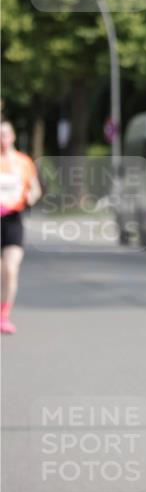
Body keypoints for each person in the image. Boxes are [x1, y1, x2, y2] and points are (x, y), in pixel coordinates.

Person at [1, 120, 42, 334]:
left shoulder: (23, 162)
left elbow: (35, 190)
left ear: (13, 136)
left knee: (10, 268)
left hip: (13, 219)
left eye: (6, 134)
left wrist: (30, 197)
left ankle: (4, 315)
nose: (2, 138)